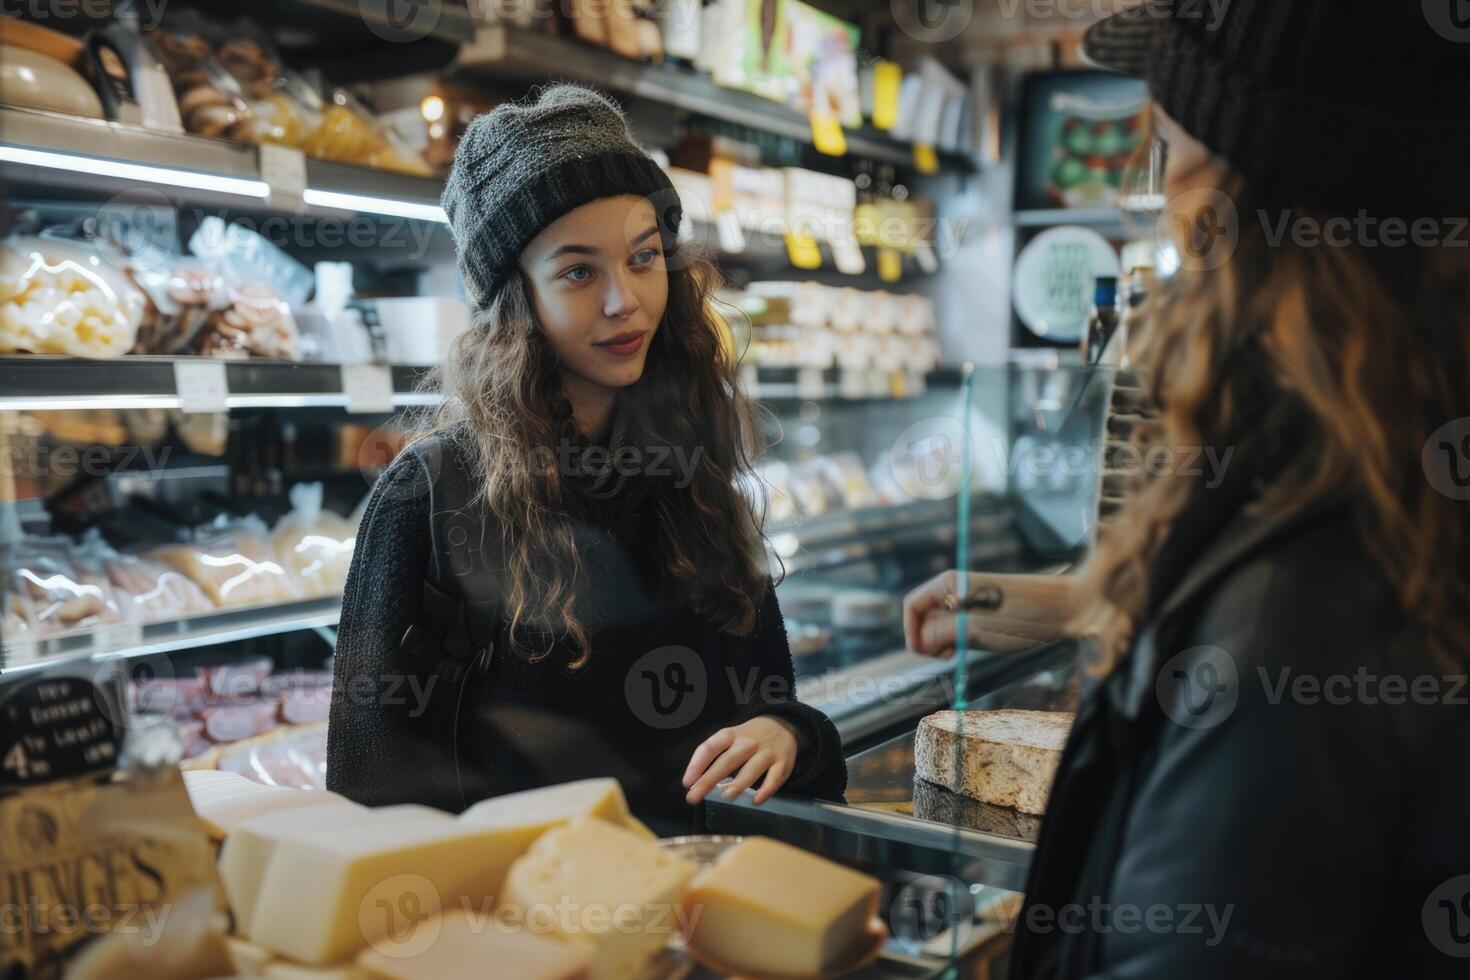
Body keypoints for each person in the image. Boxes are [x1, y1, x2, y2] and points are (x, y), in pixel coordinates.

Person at [906, 2, 1470, 976]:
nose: (1155, 196)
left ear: (1234, 200)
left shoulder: (1296, 610)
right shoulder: (1380, 469)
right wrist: (1025, 599)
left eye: (1164, 149)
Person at [326, 84, 845, 836]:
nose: (624, 300)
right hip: (521, 931)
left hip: (692, 915)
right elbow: (367, 789)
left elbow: (761, 699)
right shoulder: (435, 495)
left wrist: (792, 735)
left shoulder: (688, 470)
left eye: (642, 258)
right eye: (578, 272)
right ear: (514, 301)